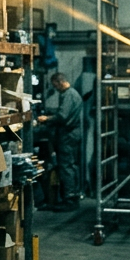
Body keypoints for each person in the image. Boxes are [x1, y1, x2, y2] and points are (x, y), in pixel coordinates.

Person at [39, 72, 83, 210]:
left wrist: (47, 119)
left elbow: (63, 116)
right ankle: (72, 196)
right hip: (72, 135)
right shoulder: (73, 94)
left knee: (66, 166)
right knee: (71, 166)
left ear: (61, 82)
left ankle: (69, 199)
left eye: (55, 85)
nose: (55, 88)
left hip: (68, 136)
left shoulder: (69, 95)